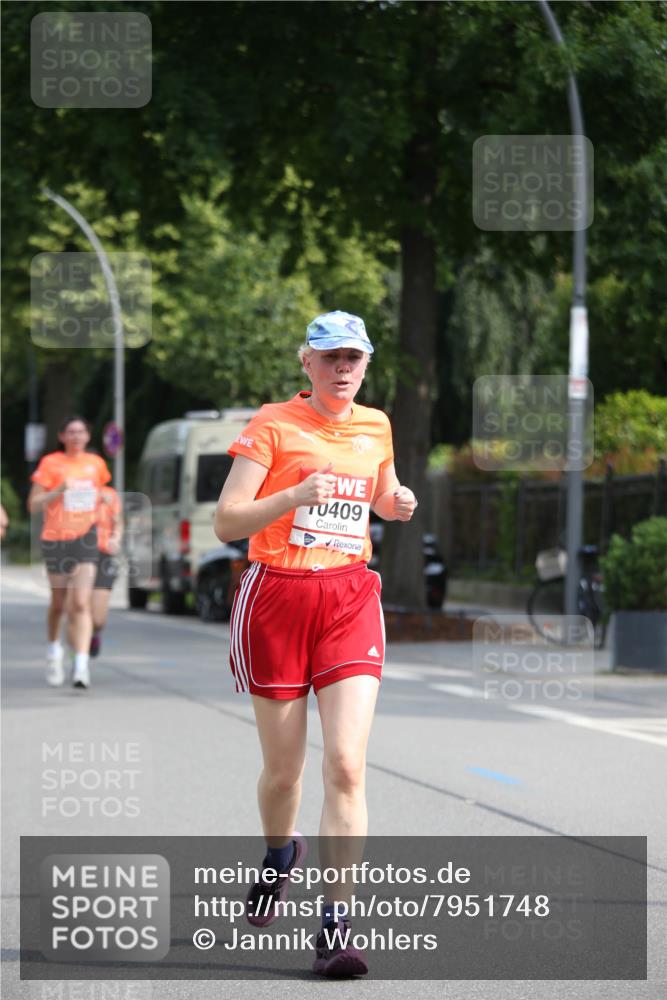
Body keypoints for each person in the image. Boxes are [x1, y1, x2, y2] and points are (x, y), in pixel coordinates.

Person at [214, 311, 417, 978]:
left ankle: (335, 925)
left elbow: (380, 495)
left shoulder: (376, 425)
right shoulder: (273, 423)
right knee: (284, 774)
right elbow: (226, 522)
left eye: (353, 358)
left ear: (365, 364)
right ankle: (280, 852)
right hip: (276, 597)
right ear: (307, 362)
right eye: (330, 357)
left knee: (347, 766)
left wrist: (396, 502)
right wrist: (293, 495)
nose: (342, 368)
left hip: (349, 597)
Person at [27, 416, 111, 689]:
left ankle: (81, 665)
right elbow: (33, 504)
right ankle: (54, 651)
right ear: (62, 436)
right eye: (71, 432)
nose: (76, 436)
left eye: (81, 432)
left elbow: (101, 493)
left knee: (81, 603)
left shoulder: (96, 464)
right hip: (56, 538)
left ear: (88, 436)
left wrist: (104, 499)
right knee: (59, 605)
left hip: (86, 536)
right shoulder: (50, 463)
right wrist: (59, 491)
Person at [90, 484, 123, 658]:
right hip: (77, 554)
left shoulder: (109, 494)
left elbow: (118, 522)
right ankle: (78, 654)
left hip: (103, 555)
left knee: (98, 618)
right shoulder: (73, 490)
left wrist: (115, 538)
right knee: (78, 606)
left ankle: (94, 634)